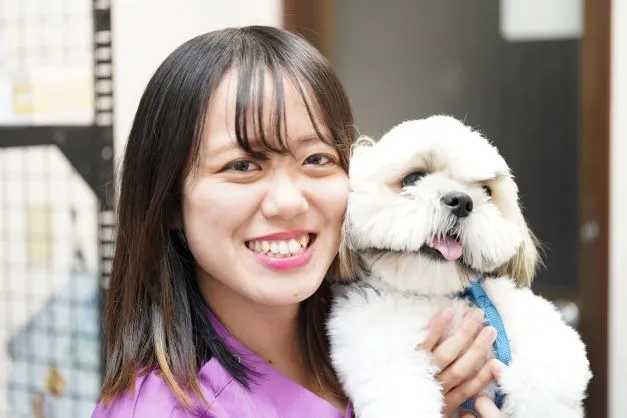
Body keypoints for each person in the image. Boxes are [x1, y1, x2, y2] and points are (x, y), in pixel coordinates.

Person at [92, 25, 505, 418]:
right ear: (168, 200)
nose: (289, 202)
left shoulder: (394, 332)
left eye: (317, 159)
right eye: (242, 165)